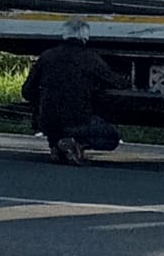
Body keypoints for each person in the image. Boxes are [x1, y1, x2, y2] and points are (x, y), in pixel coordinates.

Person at [21, 19, 122, 165]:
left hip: (46, 122)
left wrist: (42, 102)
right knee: (111, 137)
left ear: (64, 35)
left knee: (58, 122)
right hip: (77, 120)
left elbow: (27, 91)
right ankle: (74, 143)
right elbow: (117, 82)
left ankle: (57, 144)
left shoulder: (47, 56)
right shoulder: (90, 58)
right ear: (85, 37)